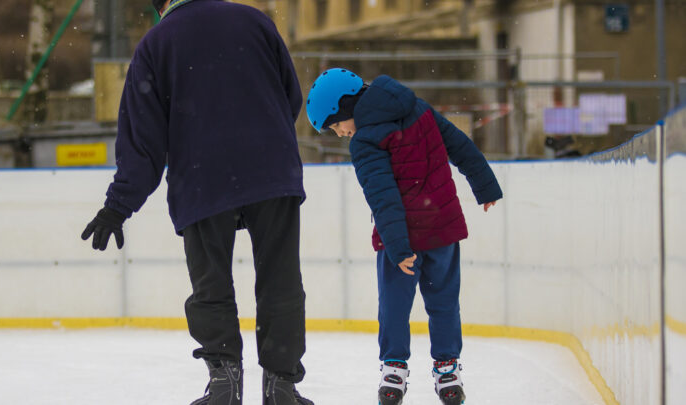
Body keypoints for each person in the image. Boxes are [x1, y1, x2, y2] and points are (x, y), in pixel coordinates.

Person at [80, 1, 312, 404]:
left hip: (203, 177)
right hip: (271, 169)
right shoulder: (255, 20)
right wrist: (261, 133)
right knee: (280, 281)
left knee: (211, 285)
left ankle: (224, 383)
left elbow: (143, 143)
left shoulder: (155, 44)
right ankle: (281, 387)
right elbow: (290, 98)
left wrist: (117, 206)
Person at [306, 68, 502, 405]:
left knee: (395, 307)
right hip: (442, 227)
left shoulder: (365, 142)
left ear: (346, 108)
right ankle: (447, 370)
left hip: (402, 240)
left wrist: (398, 247)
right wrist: (485, 185)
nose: (341, 134)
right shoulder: (417, 108)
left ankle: (395, 368)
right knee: (444, 303)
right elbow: (460, 145)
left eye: (337, 125)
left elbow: (383, 198)